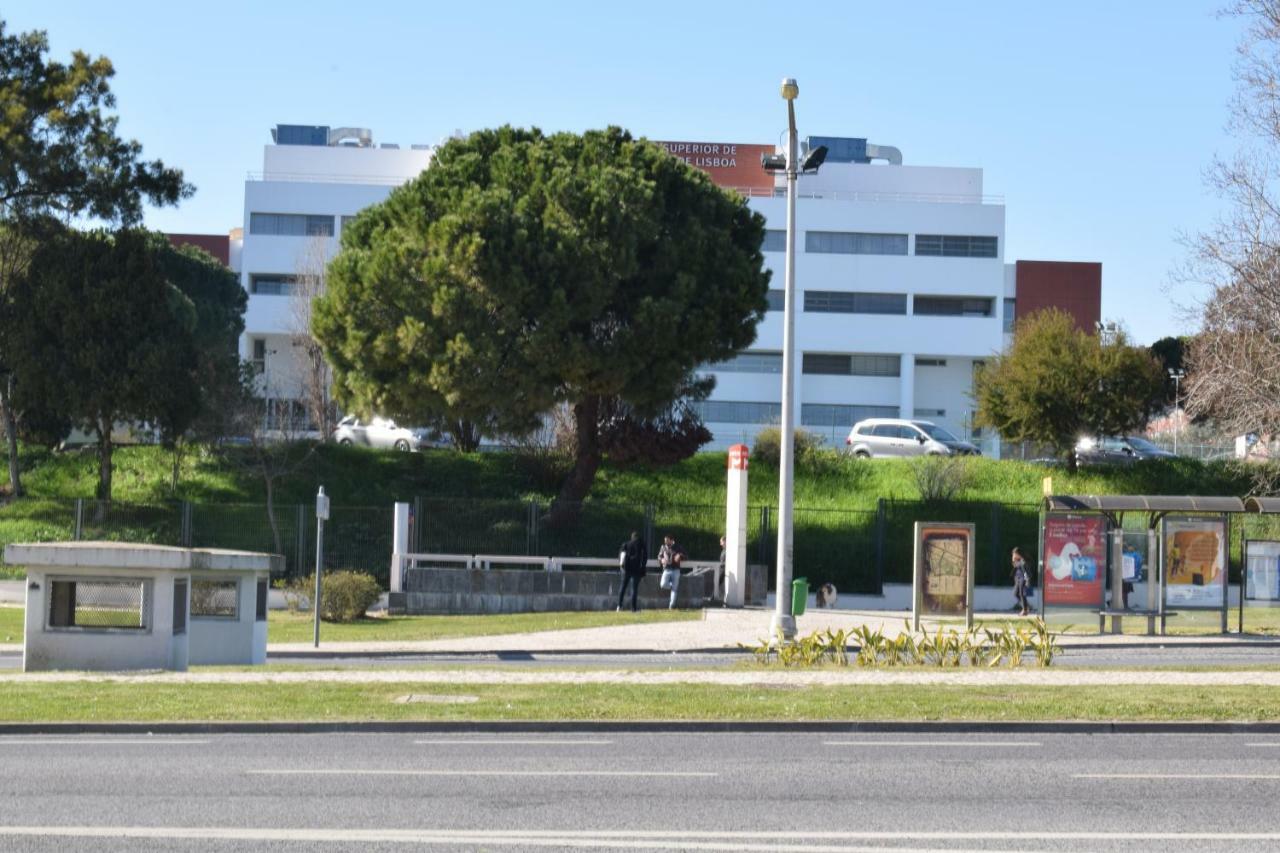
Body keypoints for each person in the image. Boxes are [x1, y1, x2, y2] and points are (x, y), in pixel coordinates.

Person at [617, 531, 648, 612]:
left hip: (626, 569)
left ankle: (619, 606)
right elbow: (644, 558)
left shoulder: (626, 544)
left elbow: (621, 556)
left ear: (632, 537)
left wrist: (622, 566)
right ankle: (633, 608)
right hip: (636, 570)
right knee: (634, 589)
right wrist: (643, 569)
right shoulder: (641, 545)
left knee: (622, 587)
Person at [657, 534, 686, 610]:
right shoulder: (663, 547)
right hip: (666, 569)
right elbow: (659, 556)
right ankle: (671, 586)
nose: (665, 542)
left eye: (667, 540)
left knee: (674, 589)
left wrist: (680, 556)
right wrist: (661, 560)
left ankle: (671, 606)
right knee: (663, 584)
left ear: (671, 540)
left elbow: (685, 556)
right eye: (665, 540)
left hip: (676, 570)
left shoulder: (678, 547)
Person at [1011, 546, 1030, 617]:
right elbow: (1014, 566)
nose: (1014, 555)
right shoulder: (1017, 560)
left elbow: (1025, 571)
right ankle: (1026, 607)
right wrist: (1013, 560)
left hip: (1023, 578)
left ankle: (1025, 610)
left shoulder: (1023, 561)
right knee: (1016, 593)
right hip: (1017, 578)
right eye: (1013, 554)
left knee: (1022, 593)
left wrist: (1027, 580)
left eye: (1015, 553)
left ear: (1018, 553)